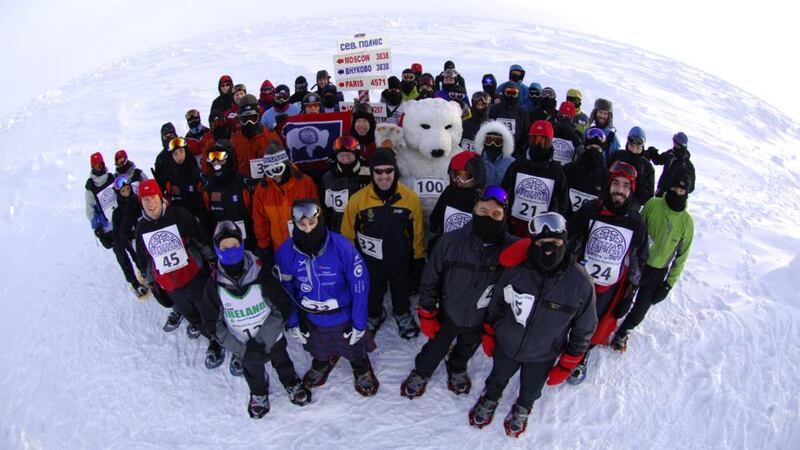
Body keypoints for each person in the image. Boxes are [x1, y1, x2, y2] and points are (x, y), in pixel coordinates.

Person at [470, 212, 596, 438]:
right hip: (508, 343)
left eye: (556, 243)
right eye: (541, 243)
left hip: (543, 353)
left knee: (532, 387)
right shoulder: (517, 269)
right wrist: (489, 330)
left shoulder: (580, 283)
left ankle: (524, 406)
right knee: (498, 376)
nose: (548, 249)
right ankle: (490, 397)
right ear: (532, 243)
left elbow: (584, 327)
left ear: (565, 243)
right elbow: (497, 299)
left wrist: (569, 362)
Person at [401, 186, 517, 398]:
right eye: (483, 212)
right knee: (437, 345)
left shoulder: (510, 249)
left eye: (495, 214)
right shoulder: (450, 242)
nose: (488, 217)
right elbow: (430, 278)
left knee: (467, 345)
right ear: (474, 209)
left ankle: (457, 366)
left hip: (480, 316)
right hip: (449, 311)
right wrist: (426, 311)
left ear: (503, 216)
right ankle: (422, 370)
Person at [202, 221, 311, 418]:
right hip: (242, 343)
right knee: (252, 370)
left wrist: (262, 341)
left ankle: (290, 383)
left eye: (234, 246)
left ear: (242, 245)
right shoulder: (214, 284)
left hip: (271, 337)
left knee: (282, 360)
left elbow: (282, 307)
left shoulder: (260, 273)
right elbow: (213, 325)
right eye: (224, 247)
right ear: (217, 249)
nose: (230, 251)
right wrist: (242, 350)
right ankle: (258, 393)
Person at [275, 200, 379, 397]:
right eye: (301, 225)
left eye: (312, 224)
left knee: (353, 346)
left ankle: (360, 365)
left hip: (343, 314)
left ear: (320, 221)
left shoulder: (341, 246)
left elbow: (360, 285)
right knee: (318, 347)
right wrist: (293, 322)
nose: (307, 230)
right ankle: (322, 360)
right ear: (294, 224)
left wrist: (359, 322)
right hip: (312, 316)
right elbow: (286, 289)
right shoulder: (286, 251)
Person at [566, 161, 648, 383]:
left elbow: (639, 260)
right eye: (616, 184)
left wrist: (629, 295)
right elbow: (570, 237)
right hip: (580, 281)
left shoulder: (636, 222)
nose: (619, 190)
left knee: (593, 325)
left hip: (608, 287)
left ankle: (582, 354)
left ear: (631, 189)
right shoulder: (591, 209)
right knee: (568, 317)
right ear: (608, 185)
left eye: (625, 186)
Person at [134, 179, 224, 367]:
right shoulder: (142, 228)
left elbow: (199, 239)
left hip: (193, 276)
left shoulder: (179, 215)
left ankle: (217, 340)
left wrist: (212, 260)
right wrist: (152, 282)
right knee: (191, 314)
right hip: (170, 284)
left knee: (207, 310)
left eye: (152, 198)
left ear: (160, 197)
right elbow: (145, 260)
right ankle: (206, 333)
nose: (150, 203)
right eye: (145, 200)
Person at [340, 149, 424, 339]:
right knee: (372, 291)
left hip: (399, 258)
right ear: (371, 172)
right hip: (370, 260)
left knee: (401, 289)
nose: (384, 176)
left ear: (395, 171)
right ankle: (374, 315)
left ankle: (402, 313)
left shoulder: (409, 198)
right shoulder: (358, 200)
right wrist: (349, 261)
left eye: (388, 171)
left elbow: (418, 232)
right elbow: (347, 233)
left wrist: (418, 258)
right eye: (378, 171)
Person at [610, 167, 694, 351]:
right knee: (620, 300)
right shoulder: (653, 205)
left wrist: (668, 284)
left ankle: (623, 332)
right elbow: (635, 229)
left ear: (686, 193)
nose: (677, 193)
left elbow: (682, 256)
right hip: (636, 263)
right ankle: (607, 325)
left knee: (640, 309)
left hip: (657, 272)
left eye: (682, 191)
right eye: (674, 189)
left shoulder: (687, 222)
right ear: (669, 188)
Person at [251, 144, 319, 265]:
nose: (275, 176)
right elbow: (260, 221)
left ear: (287, 165)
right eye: (269, 172)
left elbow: (317, 215)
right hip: (280, 248)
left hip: (305, 246)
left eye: (278, 170)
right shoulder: (262, 189)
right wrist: (264, 247)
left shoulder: (305, 183)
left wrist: (316, 240)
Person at [501, 120, 570, 237]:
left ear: (549, 143)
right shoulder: (517, 165)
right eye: (535, 140)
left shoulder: (556, 171)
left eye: (542, 141)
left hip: (541, 231)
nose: (538, 144)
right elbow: (504, 192)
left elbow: (563, 204)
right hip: (513, 227)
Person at [85, 152, 141, 291]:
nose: (99, 167)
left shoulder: (112, 178)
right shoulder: (90, 187)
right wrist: (97, 229)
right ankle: (134, 282)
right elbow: (90, 209)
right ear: (92, 166)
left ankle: (143, 273)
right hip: (108, 228)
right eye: (96, 165)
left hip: (122, 222)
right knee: (122, 256)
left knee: (134, 249)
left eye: (101, 164)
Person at [202, 142, 256, 250]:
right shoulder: (208, 188)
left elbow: (256, 215)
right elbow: (206, 219)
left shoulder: (243, 183)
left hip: (247, 244)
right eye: (212, 157)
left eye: (220, 157)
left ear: (229, 158)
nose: (216, 162)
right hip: (223, 247)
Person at [427, 151, 486, 248]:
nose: (459, 180)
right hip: (446, 245)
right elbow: (436, 216)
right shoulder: (449, 191)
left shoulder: (482, 198)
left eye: (466, 176)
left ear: (477, 176)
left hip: (469, 248)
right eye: (456, 174)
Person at [320, 136, 371, 233]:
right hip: (337, 230)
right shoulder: (328, 177)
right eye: (341, 156)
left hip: (363, 230)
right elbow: (324, 207)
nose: (345, 160)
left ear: (356, 155)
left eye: (349, 156)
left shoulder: (368, 175)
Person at [163, 137, 212, 235]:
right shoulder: (170, 178)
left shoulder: (197, 174)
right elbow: (168, 202)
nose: (179, 156)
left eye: (181, 152)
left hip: (200, 224)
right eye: (175, 154)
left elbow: (206, 203)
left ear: (186, 152)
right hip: (180, 226)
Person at [110, 174, 148, 297]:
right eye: (122, 191)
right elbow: (118, 240)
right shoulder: (117, 213)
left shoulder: (139, 201)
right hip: (133, 244)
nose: (126, 192)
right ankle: (141, 280)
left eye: (127, 189)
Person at [231, 95, 281, 179]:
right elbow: (232, 168)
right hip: (244, 186)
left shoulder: (270, 136)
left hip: (267, 185)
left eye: (253, 118)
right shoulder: (235, 140)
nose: (249, 122)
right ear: (240, 119)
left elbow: (282, 163)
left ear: (259, 116)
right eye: (245, 119)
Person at [564, 128, 609, 216]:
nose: (594, 152)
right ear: (585, 147)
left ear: (602, 151)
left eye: (598, 149)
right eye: (591, 148)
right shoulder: (569, 169)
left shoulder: (606, 176)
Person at [609, 126, 655, 206]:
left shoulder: (647, 167)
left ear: (642, 147)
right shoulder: (617, 156)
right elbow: (603, 177)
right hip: (611, 198)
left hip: (632, 206)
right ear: (627, 145)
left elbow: (648, 198)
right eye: (631, 146)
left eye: (638, 148)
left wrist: (639, 180)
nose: (634, 150)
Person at [649, 131, 696, 197]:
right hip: (661, 192)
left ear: (682, 146)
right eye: (674, 142)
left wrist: (680, 189)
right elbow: (658, 160)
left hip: (675, 198)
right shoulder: (670, 154)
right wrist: (652, 152)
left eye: (677, 144)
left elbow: (691, 188)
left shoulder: (688, 165)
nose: (674, 146)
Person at [488, 85, 530, 157]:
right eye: (508, 92)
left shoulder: (522, 113)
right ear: (504, 93)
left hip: (515, 154)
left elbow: (526, 134)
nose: (511, 96)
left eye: (514, 93)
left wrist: (519, 153)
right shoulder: (493, 109)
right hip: (494, 151)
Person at [475, 120, 515, 187]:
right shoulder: (477, 161)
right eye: (489, 140)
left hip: (501, 196)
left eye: (497, 141)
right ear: (483, 141)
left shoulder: (511, 163)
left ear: (504, 143)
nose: (492, 144)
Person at [153, 122, 178, 191]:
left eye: (171, 135)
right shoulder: (160, 158)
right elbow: (160, 184)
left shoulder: (184, 148)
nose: (169, 138)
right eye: (166, 136)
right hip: (171, 194)